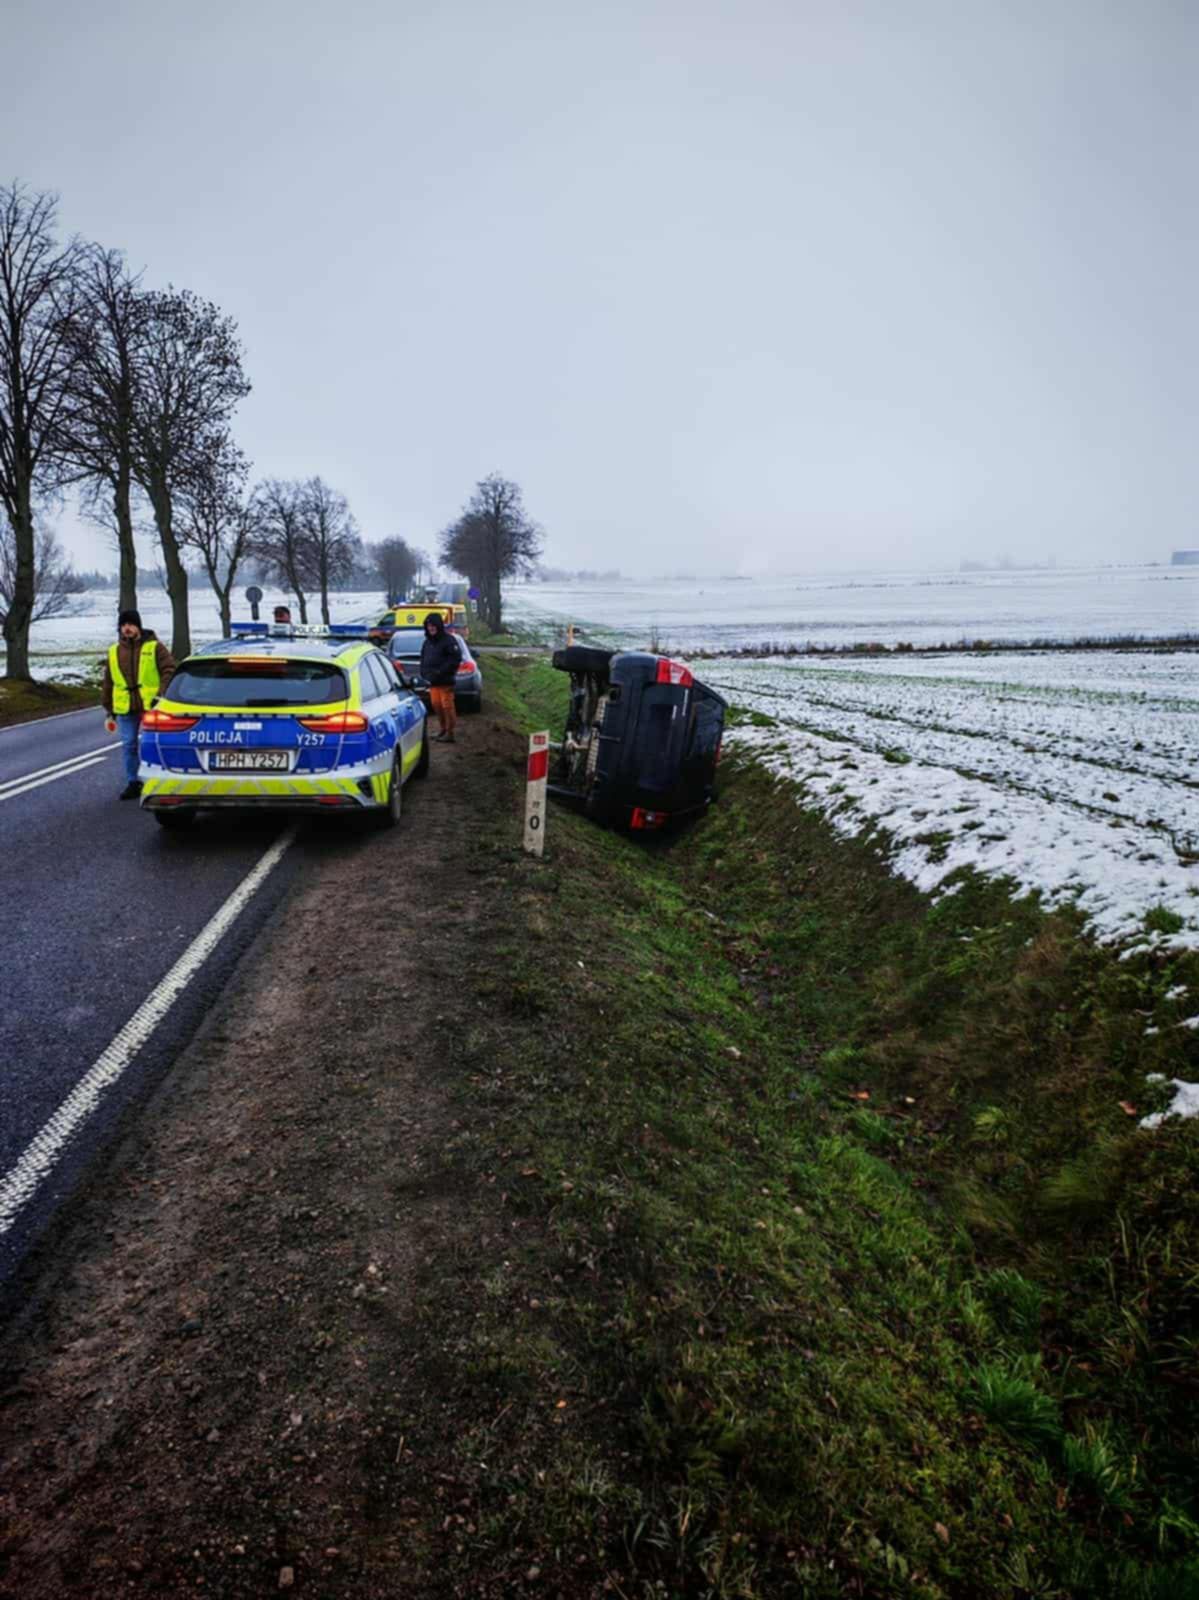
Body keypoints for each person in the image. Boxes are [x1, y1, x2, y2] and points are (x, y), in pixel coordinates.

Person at [101, 609, 176, 800]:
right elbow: (108, 681)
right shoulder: (114, 651)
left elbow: (169, 669)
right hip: (125, 707)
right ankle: (133, 782)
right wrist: (108, 707)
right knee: (128, 745)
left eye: (130, 624)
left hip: (150, 705)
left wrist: (161, 694)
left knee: (153, 744)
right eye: (123, 625)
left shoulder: (154, 647)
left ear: (138, 626)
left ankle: (160, 779)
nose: (126, 628)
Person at [419, 610, 462, 743]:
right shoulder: (427, 643)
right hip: (432, 682)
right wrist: (424, 673)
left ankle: (450, 732)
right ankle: (443, 729)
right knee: (436, 705)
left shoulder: (449, 640)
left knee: (446, 706)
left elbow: (455, 659)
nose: (431, 628)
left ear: (439, 626)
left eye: (433, 625)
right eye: (428, 626)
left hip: (445, 681)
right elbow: (423, 659)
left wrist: (441, 671)